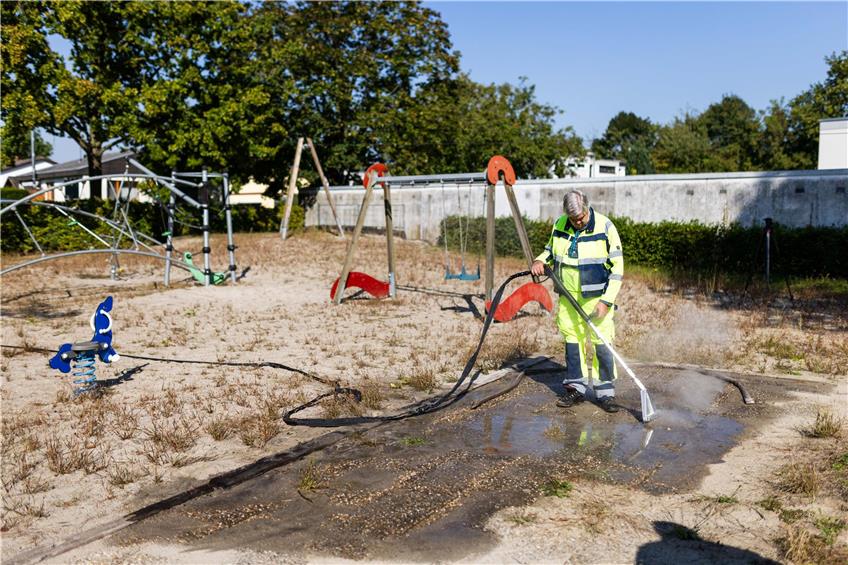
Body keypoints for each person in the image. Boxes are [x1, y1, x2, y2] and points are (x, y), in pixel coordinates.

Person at [531, 190, 624, 413]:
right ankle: (576, 388)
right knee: (573, 343)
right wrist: (539, 260)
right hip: (568, 297)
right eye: (573, 218)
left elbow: (618, 269)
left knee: (602, 344)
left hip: (596, 299)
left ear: (587, 208)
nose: (577, 221)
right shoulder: (560, 224)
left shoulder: (605, 227)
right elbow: (549, 251)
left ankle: (605, 392)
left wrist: (606, 301)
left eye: (580, 217)